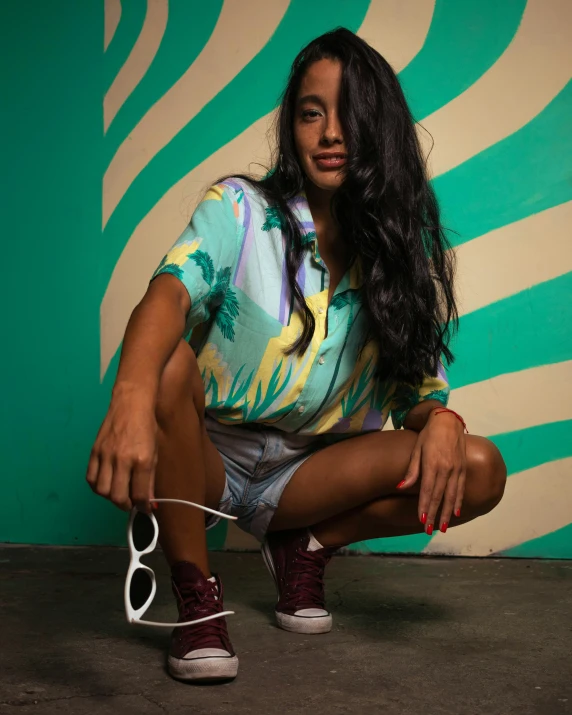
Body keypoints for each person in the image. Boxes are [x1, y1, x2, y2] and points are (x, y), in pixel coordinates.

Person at [87, 27, 507, 683]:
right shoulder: (240, 210)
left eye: (349, 114)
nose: (331, 132)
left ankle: (301, 545)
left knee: (480, 466)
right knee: (166, 364)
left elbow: (418, 395)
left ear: (379, 127)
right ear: (292, 126)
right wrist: (132, 399)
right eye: (312, 113)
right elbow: (167, 296)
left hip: (304, 477)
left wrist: (443, 421)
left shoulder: (397, 253)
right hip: (206, 458)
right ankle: (196, 597)